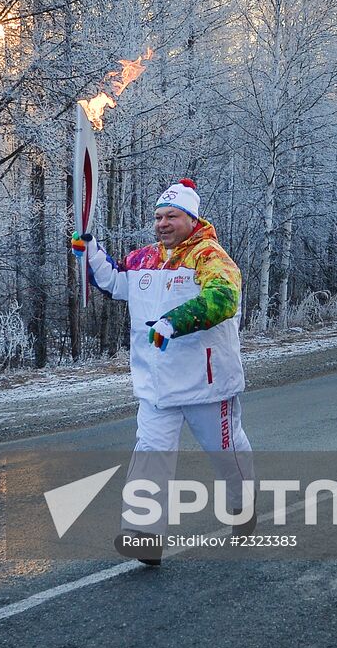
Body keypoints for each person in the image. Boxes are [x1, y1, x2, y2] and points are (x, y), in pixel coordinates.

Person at [72, 179, 255, 564]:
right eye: (158, 217)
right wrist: (90, 253)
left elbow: (222, 299)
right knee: (150, 454)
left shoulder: (210, 257)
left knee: (225, 453)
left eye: (172, 215)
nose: (163, 223)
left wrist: (174, 321)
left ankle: (242, 505)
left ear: (191, 217)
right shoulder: (144, 259)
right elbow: (115, 282)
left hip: (206, 383)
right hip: (156, 385)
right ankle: (145, 536)